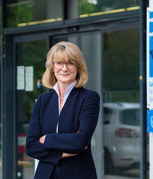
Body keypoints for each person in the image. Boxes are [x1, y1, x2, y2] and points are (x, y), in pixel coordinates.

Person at [26, 41, 100, 179]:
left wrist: (46, 139)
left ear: (78, 67)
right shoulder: (43, 101)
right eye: (59, 63)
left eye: (70, 63)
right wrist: (63, 152)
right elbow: (31, 146)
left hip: (77, 174)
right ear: (52, 67)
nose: (64, 68)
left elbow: (81, 140)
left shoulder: (89, 98)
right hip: (45, 175)